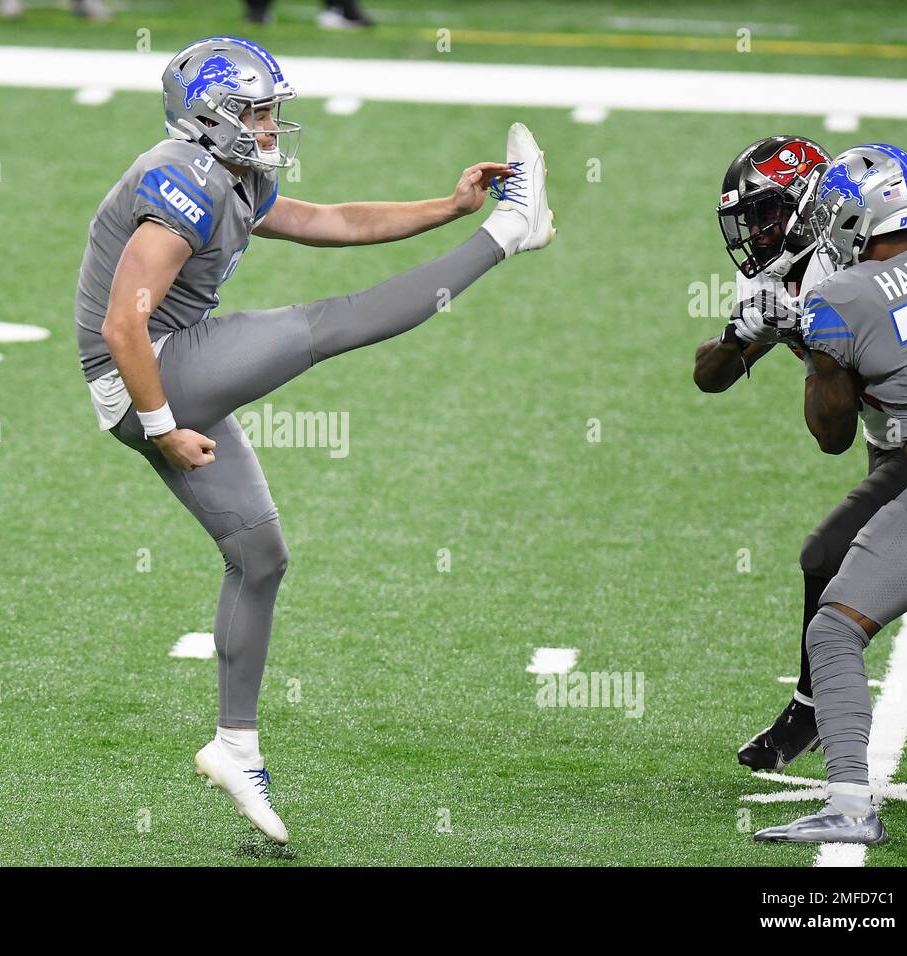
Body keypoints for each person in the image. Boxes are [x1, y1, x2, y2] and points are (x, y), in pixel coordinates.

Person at [74, 35, 554, 844]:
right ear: (209, 116)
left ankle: (235, 748)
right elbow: (125, 323)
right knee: (325, 325)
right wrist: (162, 430)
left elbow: (330, 221)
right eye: (256, 111)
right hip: (146, 373)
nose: (270, 125)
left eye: (271, 110)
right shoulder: (183, 178)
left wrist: (446, 205)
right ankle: (511, 233)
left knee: (260, 555)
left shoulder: (228, 172)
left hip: (167, 371)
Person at [754, 143, 907, 844]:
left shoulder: (838, 297)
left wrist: (808, 342)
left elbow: (831, 432)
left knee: (834, 629)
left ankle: (850, 805)